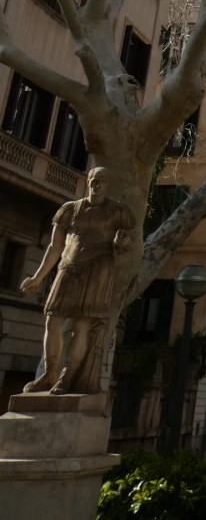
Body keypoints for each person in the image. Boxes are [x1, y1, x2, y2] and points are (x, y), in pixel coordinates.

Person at [20, 166, 135, 394]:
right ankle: (49, 373)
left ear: (107, 184)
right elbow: (55, 246)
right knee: (52, 321)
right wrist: (38, 277)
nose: (97, 184)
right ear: (88, 181)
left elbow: (128, 242)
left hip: (98, 269)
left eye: (102, 180)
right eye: (94, 179)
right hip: (68, 268)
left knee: (82, 326)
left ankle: (68, 376)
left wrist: (122, 242)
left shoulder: (117, 211)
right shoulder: (69, 210)